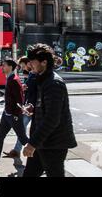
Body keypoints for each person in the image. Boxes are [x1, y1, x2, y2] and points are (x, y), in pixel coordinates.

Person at [22, 44, 77, 178]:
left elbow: (52, 119)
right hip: (43, 142)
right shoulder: (43, 79)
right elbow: (47, 109)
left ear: (44, 62)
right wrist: (35, 108)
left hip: (54, 144)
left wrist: (32, 143)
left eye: (32, 62)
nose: (30, 65)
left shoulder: (54, 83)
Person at [3, 56, 37, 158]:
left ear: (29, 64)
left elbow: (35, 89)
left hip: (33, 106)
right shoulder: (31, 74)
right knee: (21, 128)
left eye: (23, 66)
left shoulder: (35, 75)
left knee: (25, 128)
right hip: (28, 105)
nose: (23, 69)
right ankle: (17, 150)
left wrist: (25, 88)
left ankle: (33, 150)